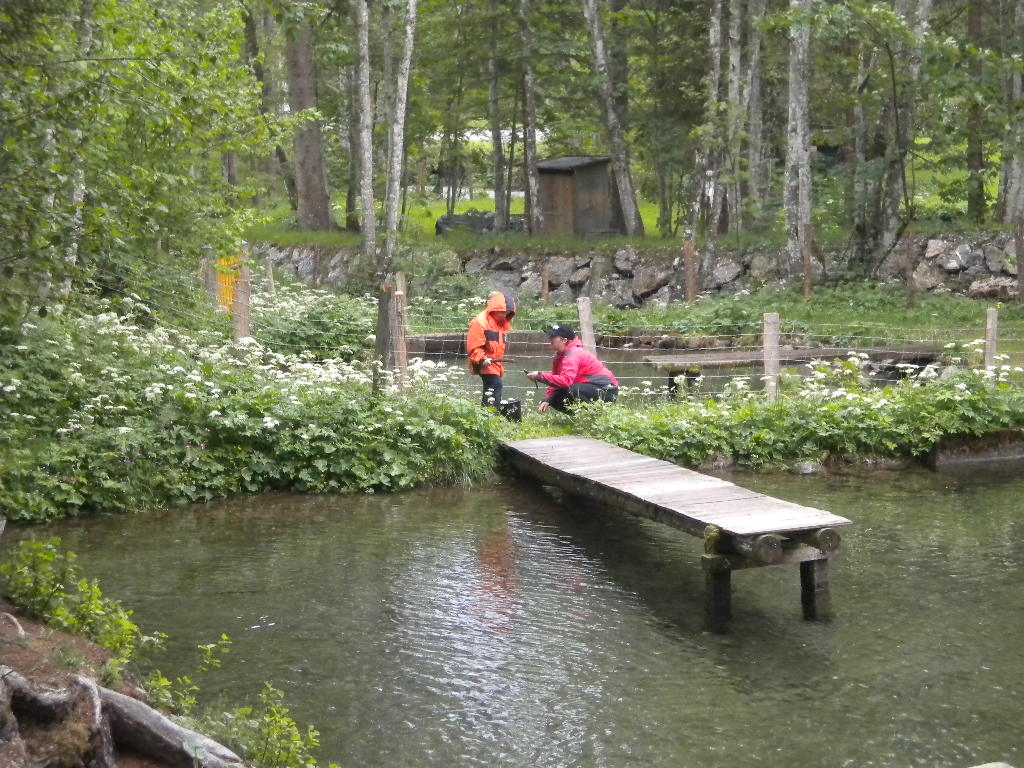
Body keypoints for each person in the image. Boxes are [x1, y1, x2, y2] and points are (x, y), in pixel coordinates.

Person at [527, 325, 619, 413]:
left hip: (607, 390)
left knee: (575, 390)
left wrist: (540, 376)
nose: (550, 339)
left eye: (553, 336)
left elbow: (565, 381)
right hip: (591, 388)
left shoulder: (573, 355)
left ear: (564, 340)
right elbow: (556, 380)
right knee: (553, 399)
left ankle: (591, 418)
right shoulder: (560, 356)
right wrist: (548, 399)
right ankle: (579, 419)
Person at [467, 292, 517, 407]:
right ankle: (490, 416)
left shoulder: (501, 323)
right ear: (495, 309)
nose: (505, 315)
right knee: (495, 385)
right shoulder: (479, 322)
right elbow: (474, 346)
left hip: (495, 362)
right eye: (503, 312)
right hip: (484, 362)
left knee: (492, 388)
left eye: (507, 313)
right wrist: (483, 359)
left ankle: (487, 417)